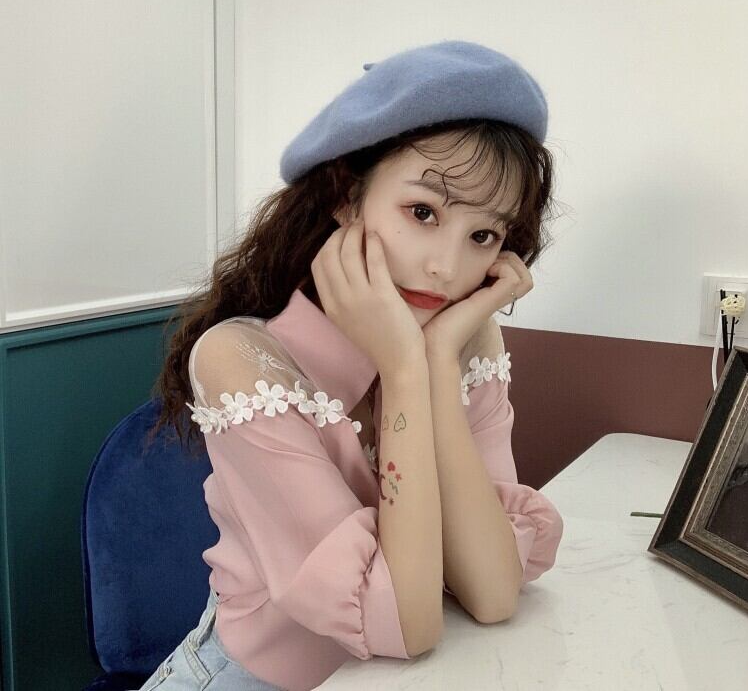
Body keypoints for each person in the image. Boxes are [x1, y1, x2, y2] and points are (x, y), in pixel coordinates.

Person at [140, 40, 565, 691]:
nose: (447, 268)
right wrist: (405, 371)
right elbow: (408, 624)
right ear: (347, 196)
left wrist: (431, 359)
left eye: (483, 235)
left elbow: (492, 591)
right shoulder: (241, 359)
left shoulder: (461, 339)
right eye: (422, 212)